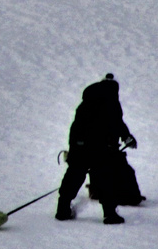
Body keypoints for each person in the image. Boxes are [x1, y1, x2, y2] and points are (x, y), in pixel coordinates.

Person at [56, 74, 136, 224]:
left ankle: (62, 209)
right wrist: (127, 137)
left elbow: (75, 128)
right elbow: (117, 123)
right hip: (102, 149)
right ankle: (110, 214)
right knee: (105, 179)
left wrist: (74, 149)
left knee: (73, 177)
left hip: (80, 147)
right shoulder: (111, 102)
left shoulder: (85, 103)